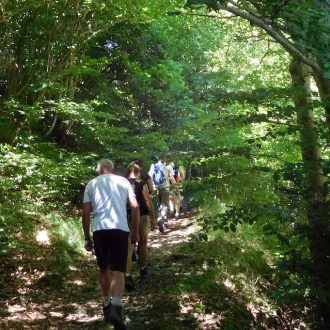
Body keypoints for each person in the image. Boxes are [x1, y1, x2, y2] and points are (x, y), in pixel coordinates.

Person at [82, 159, 140, 329]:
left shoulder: (91, 184)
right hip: (120, 229)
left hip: (100, 230)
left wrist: (87, 237)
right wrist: (135, 231)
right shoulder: (123, 181)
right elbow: (135, 207)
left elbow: (85, 213)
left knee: (103, 269)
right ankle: (116, 307)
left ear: (99, 171)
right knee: (118, 270)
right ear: (112, 169)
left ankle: (106, 305)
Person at [125, 162, 157, 290]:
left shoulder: (122, 183)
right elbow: (148, 200)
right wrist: (153, 217)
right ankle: (143, 269)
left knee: (129, 247)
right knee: (143, 242)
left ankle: (128, 275)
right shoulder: (141, 183)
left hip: (127, 217)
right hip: (142, 215)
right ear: (138, 172)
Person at [148, 155, 175, 232]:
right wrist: (176, 187)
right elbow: (172, 178)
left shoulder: (153, 166)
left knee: (160, 205)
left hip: (156, 188)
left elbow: (149, 176)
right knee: (165, 205)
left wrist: (152, 187)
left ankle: (164, 222)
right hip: (165, 188)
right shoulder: (168, 166)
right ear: (165, 159)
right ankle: (161, 220)